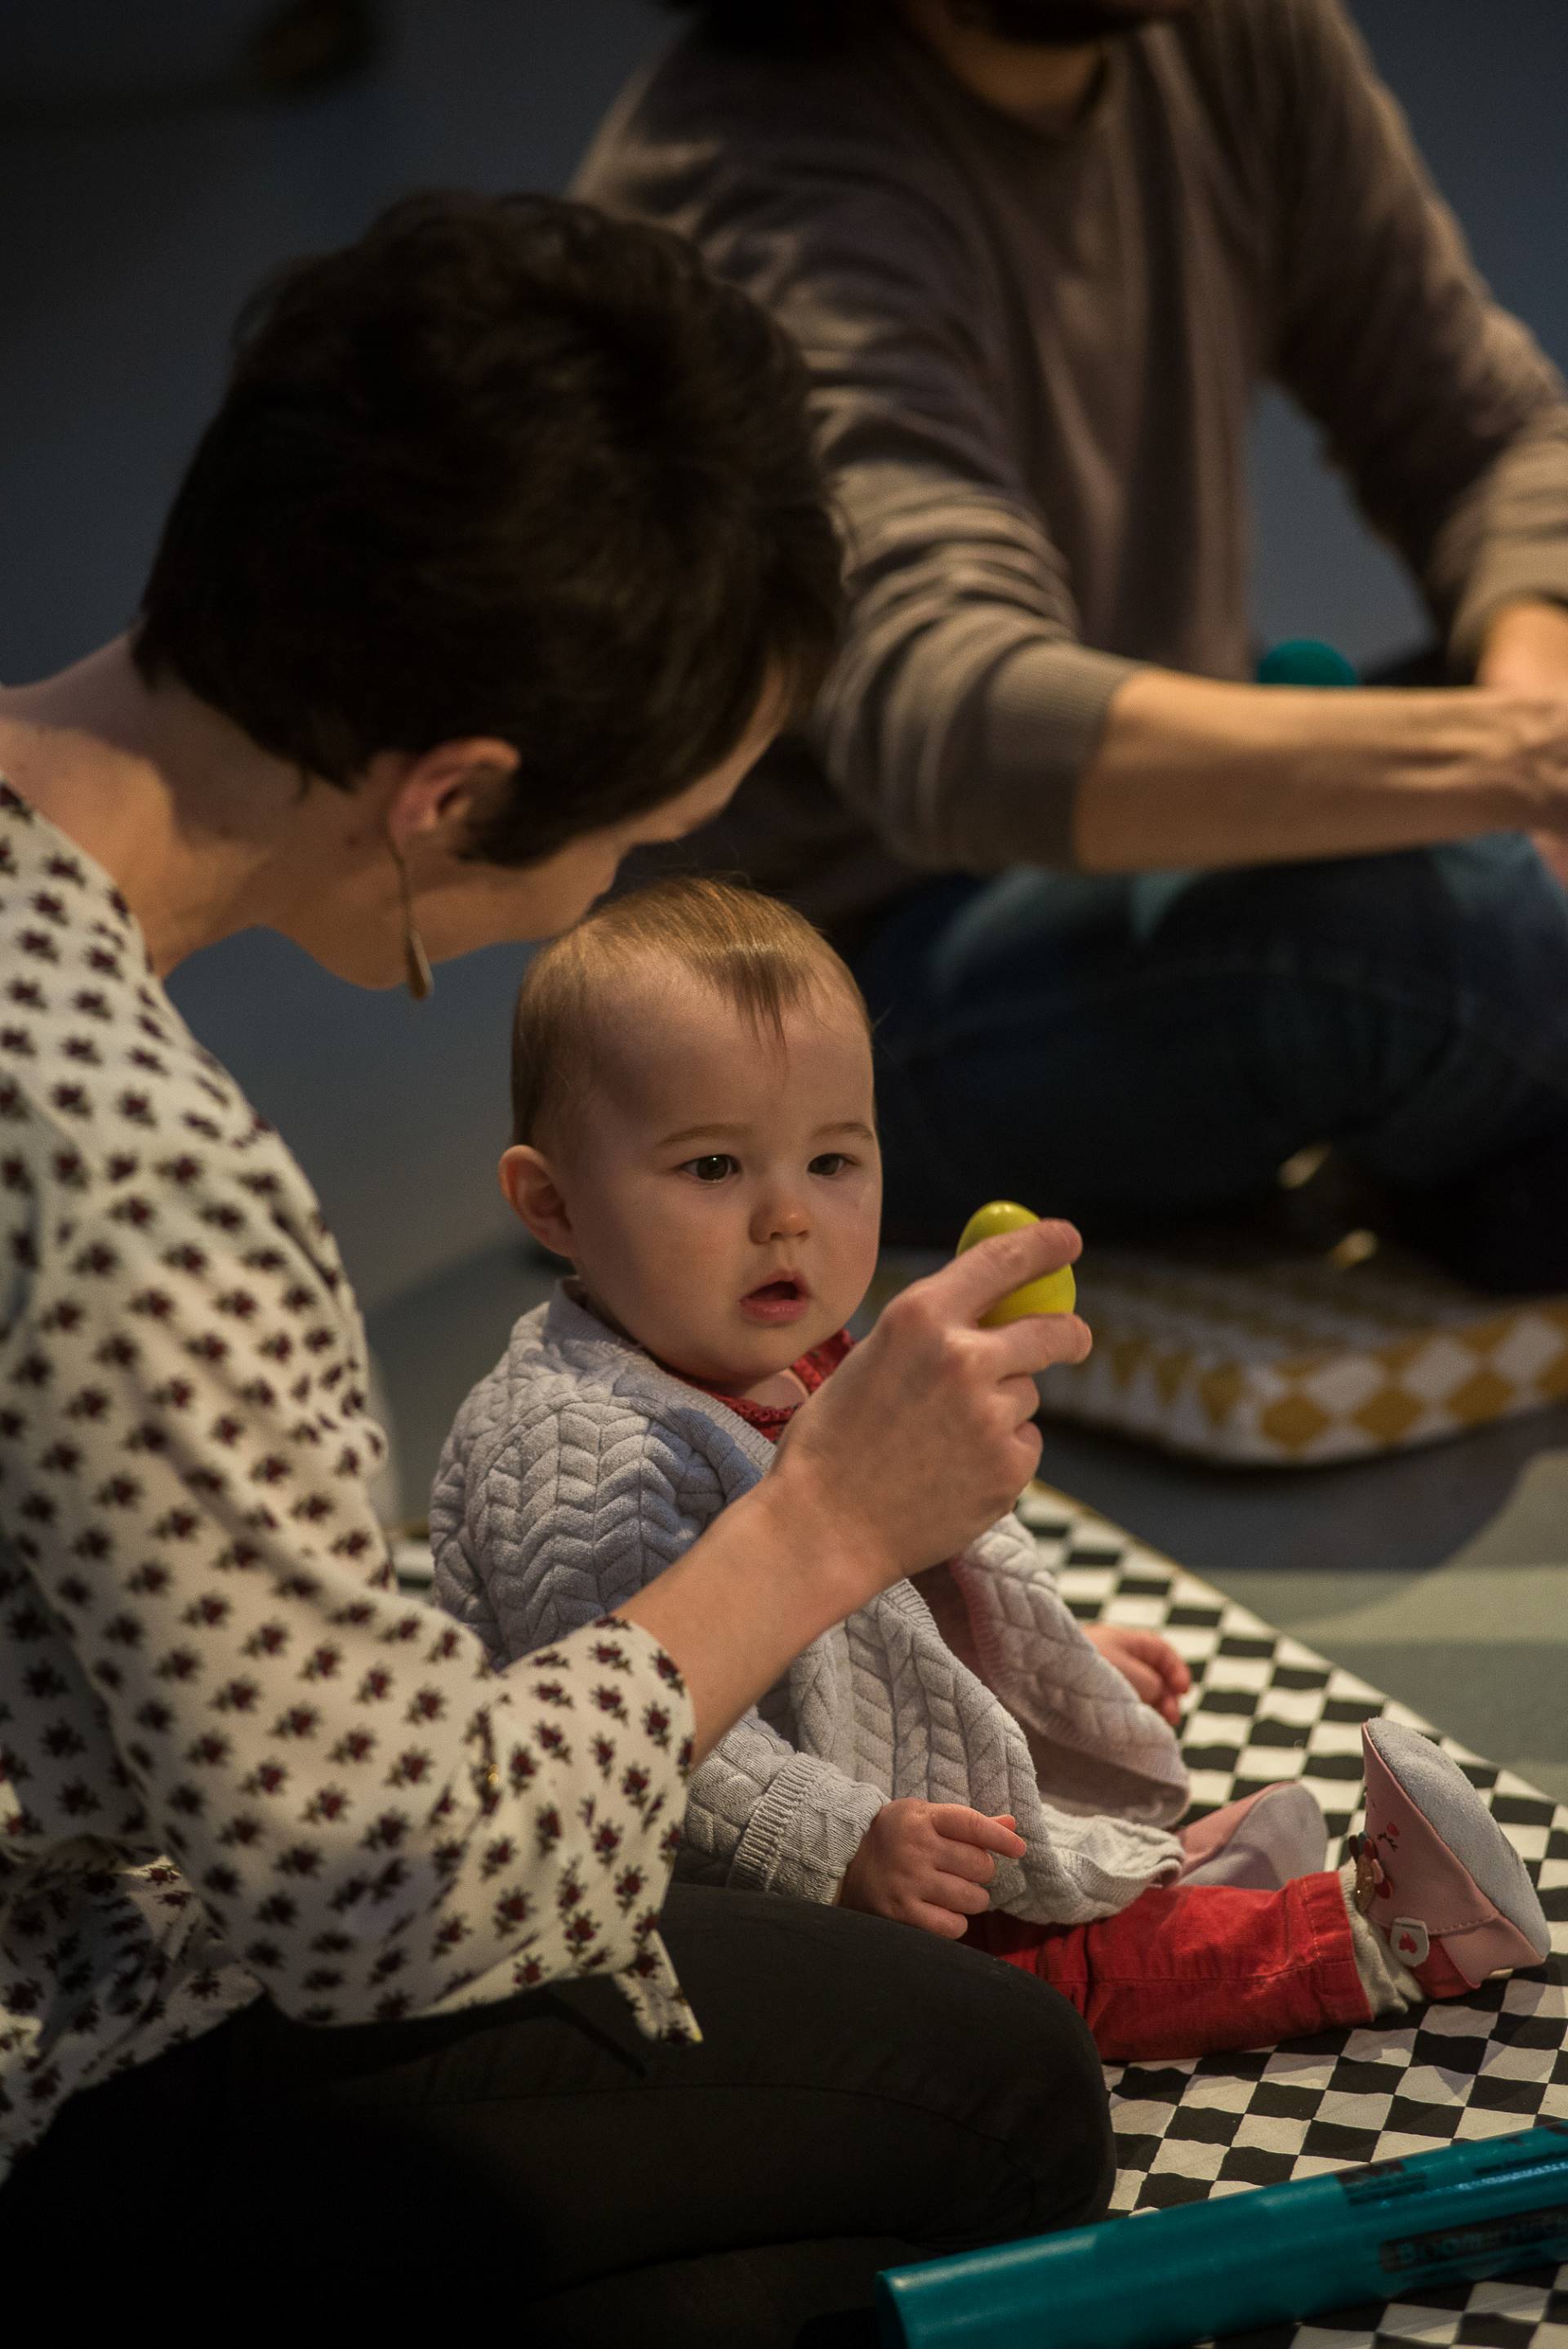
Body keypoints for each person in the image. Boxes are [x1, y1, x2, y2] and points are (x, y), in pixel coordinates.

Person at [0, 192, 1113, 2346]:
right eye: (624, 840)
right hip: (54, 2060)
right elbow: (378, 1896)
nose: (608, 892)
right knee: (989, 2107)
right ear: (454, 796)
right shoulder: (137, 1181)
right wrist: (822, 1523)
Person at [430, 875, 1551, 2064]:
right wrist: (840, 1844)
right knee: (1032, 1987)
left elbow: (880, 1571)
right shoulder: (576, 1448)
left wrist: (1019, 1652)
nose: (788, 1219)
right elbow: (628, 1744)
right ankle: (1377, 1940)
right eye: (712, 1169)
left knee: (1014, 1862)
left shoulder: (785, 1350)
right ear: (551, 1203)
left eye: (832, 1161)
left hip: (861, 1796)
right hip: (685, 1914)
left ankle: (1176, 1887)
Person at [577, 0, 1568, 1292]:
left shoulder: (1238, 38)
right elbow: (966, 727)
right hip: (831, 992)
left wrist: (1529, 706)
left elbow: (1487, 437)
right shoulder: (765, 187)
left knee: (1481, 844)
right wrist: (1519, 763)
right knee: (1443, 928)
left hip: (1123, 855)